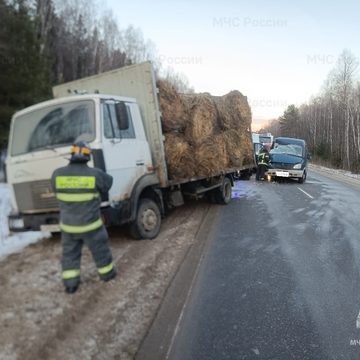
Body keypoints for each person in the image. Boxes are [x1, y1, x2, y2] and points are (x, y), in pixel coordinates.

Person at [51, 141, 116, 294]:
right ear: (88, 157)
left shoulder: (57, 174)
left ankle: (71, 285)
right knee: (100, 251)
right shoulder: (95, 174)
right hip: (91, 226)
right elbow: (109, 183)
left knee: (70, 254)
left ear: (71, 155)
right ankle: (107, 275)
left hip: (68, 227)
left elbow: (56, 190)